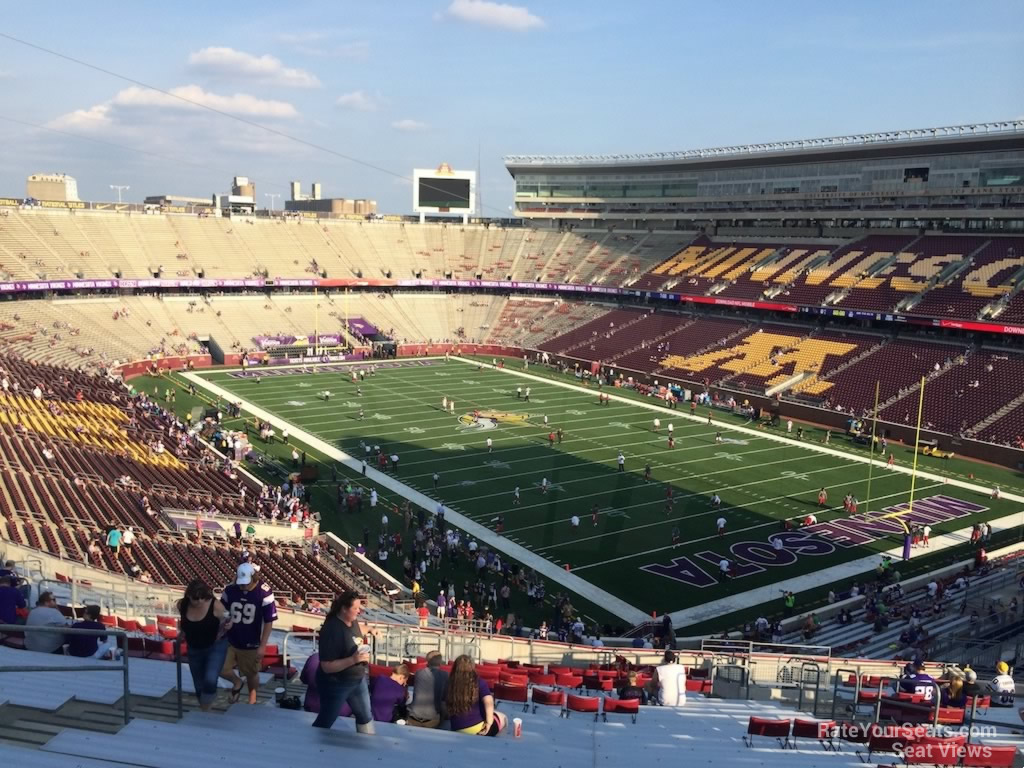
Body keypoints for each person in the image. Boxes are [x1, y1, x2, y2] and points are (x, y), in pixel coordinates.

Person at [312, 592, 375, 734]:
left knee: (365, 716)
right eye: (356, 608)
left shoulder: (352, 621)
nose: (359, 611)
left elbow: (357, 631)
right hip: (336, 684)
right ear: (344, 609)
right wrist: (353, 660)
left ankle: (368, 746)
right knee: (327, 719)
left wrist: (371, 629)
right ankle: (315, 748)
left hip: (357, 680)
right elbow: (326, 666)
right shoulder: (331, 630)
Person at [220, 563, 277, 705]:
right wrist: (227, 618)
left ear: (254, 577)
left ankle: (252, 695)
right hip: (231, 638)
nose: (243, 587)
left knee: (251, 673)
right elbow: (221, 609)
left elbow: (269, 621)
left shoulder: (264, 592)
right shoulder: (231, 589)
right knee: (220, 668)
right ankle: (237, 682)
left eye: (245, 584)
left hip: (251, 640)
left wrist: (263, 645)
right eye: (241, 584)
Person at [180, 579, 231, 711]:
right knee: (198, 684)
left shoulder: (215, 605)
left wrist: (229, 623)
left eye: (203, 597)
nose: (200, 601)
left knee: (210, 679)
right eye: (196, 598)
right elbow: (184, 623)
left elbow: (228, 615)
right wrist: (181, 634)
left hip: (215, 645)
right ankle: (205, 708)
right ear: (189, 596)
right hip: (194, 648)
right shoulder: (183, 605)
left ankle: (205, 710)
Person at [445, 654, 507, 735]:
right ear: (472, 667)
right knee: (504, 718)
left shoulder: (449, 683)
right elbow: (488, 701)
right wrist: (489, 723)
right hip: (478, 728)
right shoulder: (479, 682)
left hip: (456, 727)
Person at [407, 651, 449, 728]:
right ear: (440, 662)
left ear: (427, 661)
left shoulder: (418, 673)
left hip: (413, 716)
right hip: (432, 720)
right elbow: (444, 701)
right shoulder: (445, 675)